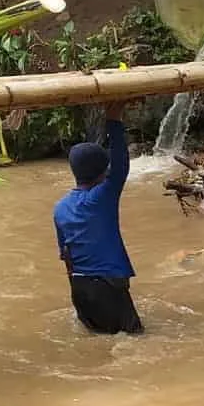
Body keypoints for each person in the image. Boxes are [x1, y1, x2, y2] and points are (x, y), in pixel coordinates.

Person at [54, 100, 143, 335]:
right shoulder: (101, 197)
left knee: (99, 343)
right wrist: (114, 119)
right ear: (103, 171)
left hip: (79, 288)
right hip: (106, 285)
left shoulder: (60, 207)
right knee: (135, 341)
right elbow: (121, 165)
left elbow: (66, 255)